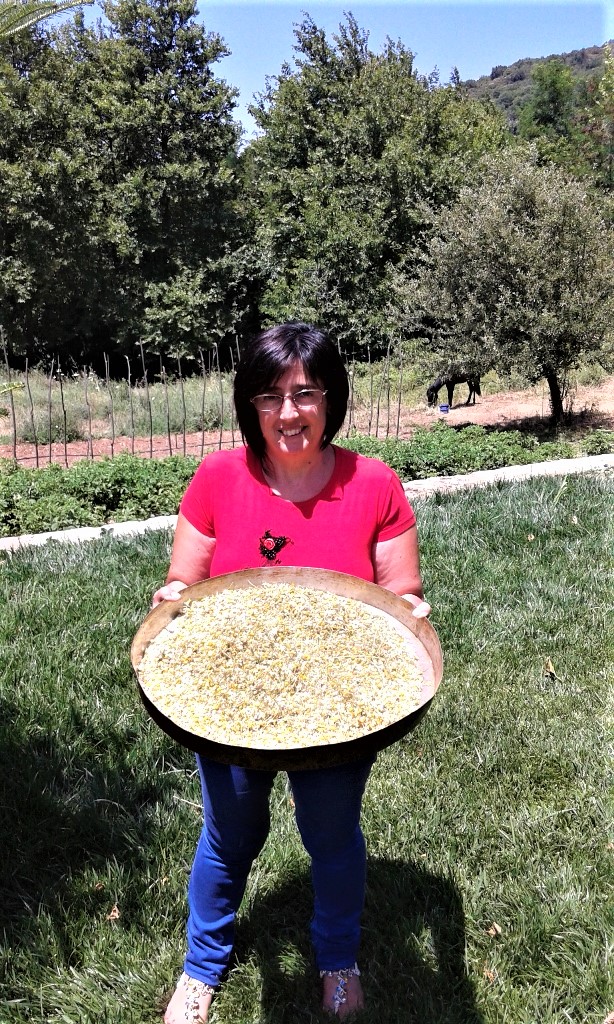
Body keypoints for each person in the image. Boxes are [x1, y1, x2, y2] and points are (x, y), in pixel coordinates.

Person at [152, 322, 430, 1022]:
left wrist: (410, 611)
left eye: (305, 393)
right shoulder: (219, 478)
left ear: (331, 398)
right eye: (269, 396)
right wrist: (173, 598)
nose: (288, 413)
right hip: (229, 692)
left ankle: (337, 960)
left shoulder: (375, 485)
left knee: (331, 837)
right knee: (229, 836)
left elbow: (399, 595)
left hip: (342, 699)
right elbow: (186, 579)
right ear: (249, 404)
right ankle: (202, 967)